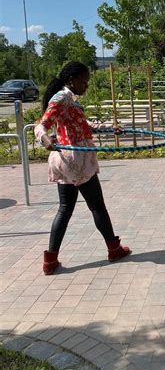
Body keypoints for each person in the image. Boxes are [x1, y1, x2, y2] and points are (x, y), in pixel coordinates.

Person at [35, 61, 131, 275]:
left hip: (67, 160)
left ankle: (50, 260)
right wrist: (44, 138)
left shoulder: (71, 100)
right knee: (97, 205)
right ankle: (114, 249)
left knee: (65, 209)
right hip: (75, 160)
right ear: (72, 80)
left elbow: (84, 127)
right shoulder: (61, 98)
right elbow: (42, 124)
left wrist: (109, 128)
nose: (86, 86)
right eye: (84, 81)